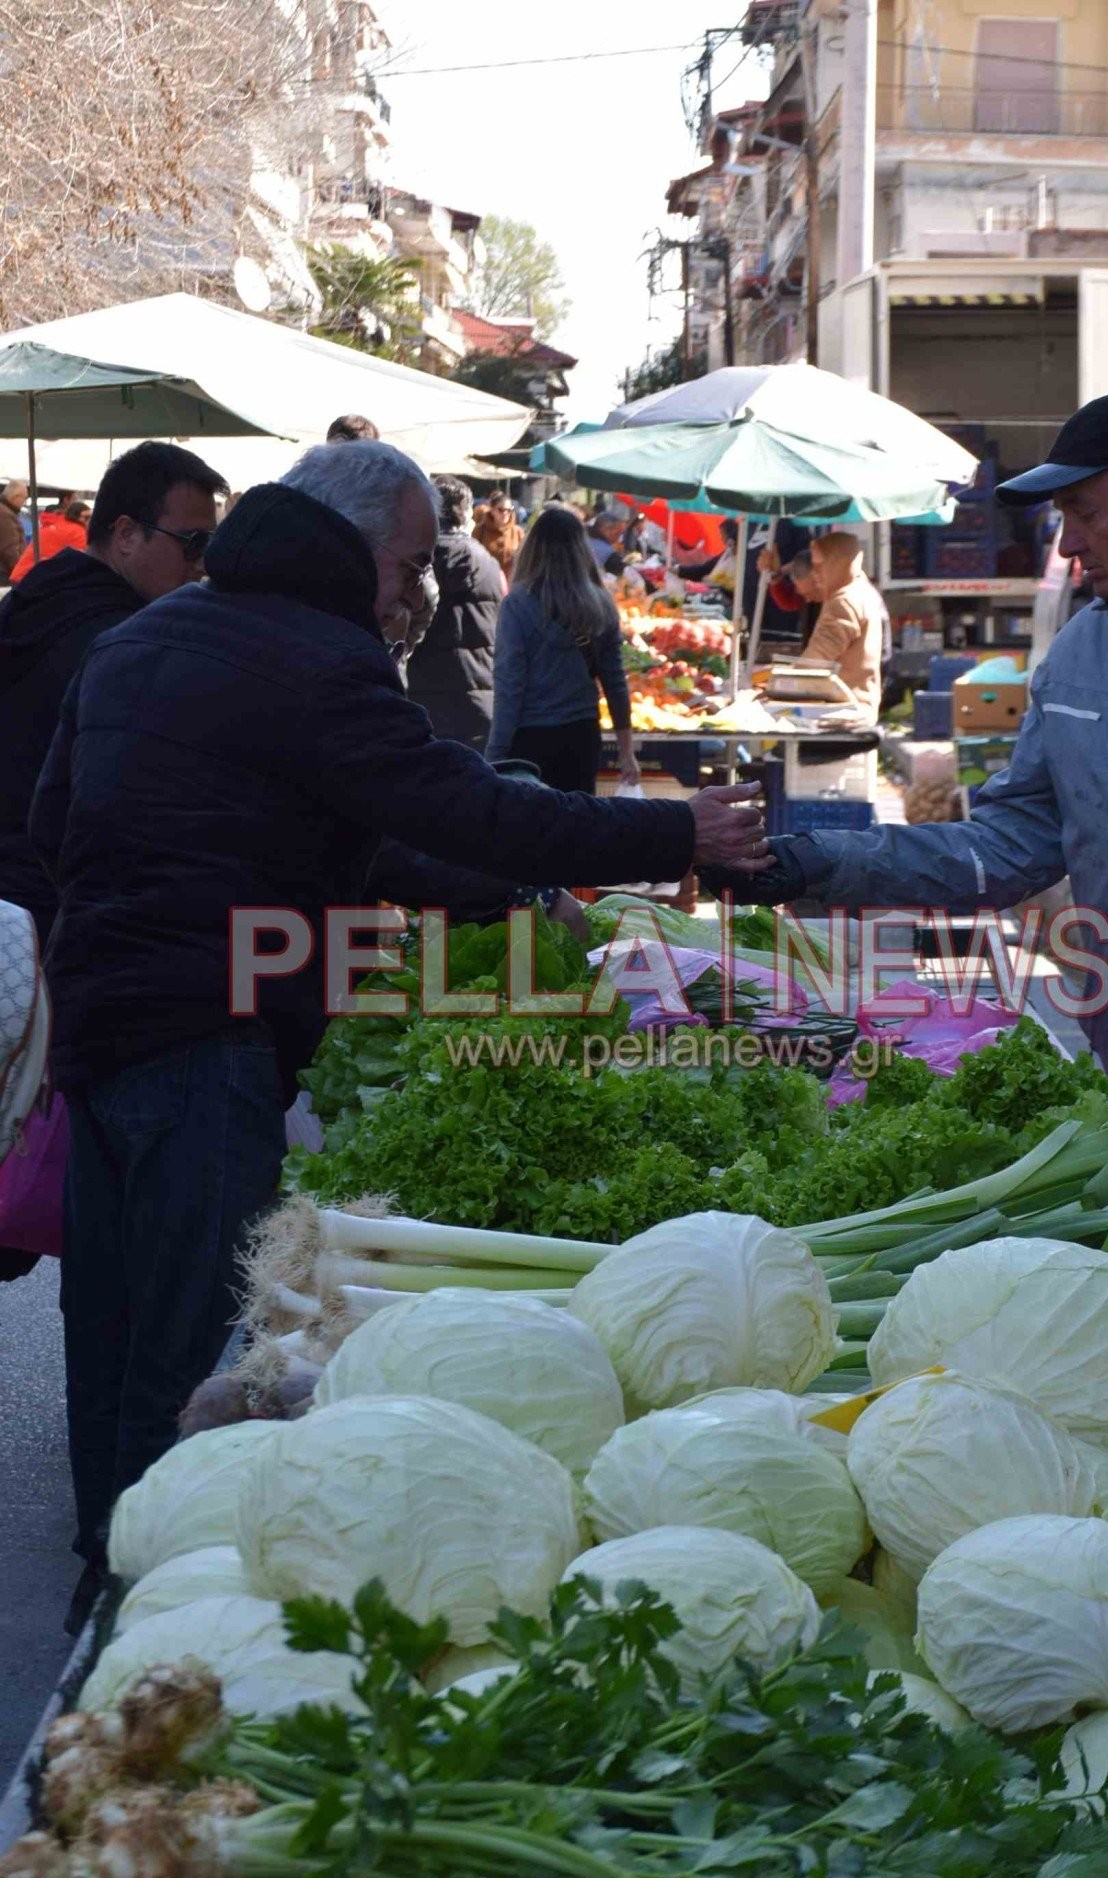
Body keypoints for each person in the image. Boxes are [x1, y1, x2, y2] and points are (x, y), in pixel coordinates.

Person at [31, 439, 765, 1616]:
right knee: (190, 1345)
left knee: (111, 1319)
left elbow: (63, 823)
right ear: (361, 545)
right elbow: (464, 807)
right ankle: (142, 1601)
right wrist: (673, 836)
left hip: (104, 1028)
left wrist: (480, 892)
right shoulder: (316, 653)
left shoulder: (144, 638)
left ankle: (105, 1553)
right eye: (414, 561)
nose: (417, 589)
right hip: (206, 1036)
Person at [699, 386, 1108, 1078]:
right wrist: (813, 862)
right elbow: (1006, 847)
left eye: (1084, 512)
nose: (1068, 544)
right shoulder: (1080, 652)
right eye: (1061, 518)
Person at [0, 443, 226, 944]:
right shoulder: (121, 641)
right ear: (126, 534)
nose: (204, 564)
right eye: (192, 543)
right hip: (50, 915)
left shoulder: (44, 597)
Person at [488, 502, 640, 793]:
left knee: (531, 830)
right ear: (581, 550)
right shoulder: (601, 604)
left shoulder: (517, 605)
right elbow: (615, 682)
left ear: (533, 549)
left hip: (529, 740)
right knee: (577, 829)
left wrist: (495, 755)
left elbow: (509, 686)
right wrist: (626, 750)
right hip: (582, 735)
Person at [405, 475, 504, 749]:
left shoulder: (412, 560)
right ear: (467, 512)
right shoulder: (488, 564)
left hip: (420, 695)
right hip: (478, 696)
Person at [790, 532, 885, 723]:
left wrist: (779, 684)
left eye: (819, 566)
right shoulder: (862, 590)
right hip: (857, 710)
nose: (815, 574)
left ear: (838, 564)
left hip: (841, 714)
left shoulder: (843, 602)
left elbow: (816, 660)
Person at [9, 494, 91, 582]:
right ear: (81, 518)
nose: (90, 522)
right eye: (88, 518)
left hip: (22, 575)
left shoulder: (56, 525)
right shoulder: (77, 532)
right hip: (32, 580)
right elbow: (84, 561)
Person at [473, 490, 521, 579]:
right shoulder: (480, 530)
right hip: (486, 582)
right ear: (492, 510)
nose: (505, 513)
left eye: (509, 510)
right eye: (501, 510)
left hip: (510, 584)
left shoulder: (518, 532)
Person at [585, 503, 628, 577]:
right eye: (618, 533)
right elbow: (625, 573)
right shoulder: (608, 553)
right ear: (606, 529)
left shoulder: (580, 538)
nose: (617, 539)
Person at [0, 480, 29, 580]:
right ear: (15, 496)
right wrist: (21, 573)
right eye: (24, 498)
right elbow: (10, 549)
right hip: (6, 574)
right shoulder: (5, 515)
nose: (24, 502)